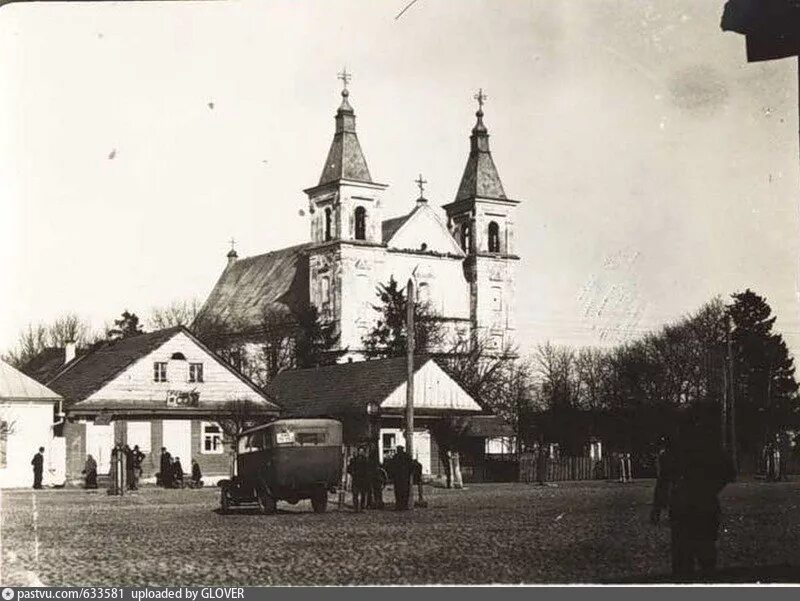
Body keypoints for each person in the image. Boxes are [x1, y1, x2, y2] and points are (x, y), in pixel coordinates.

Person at [650, 411, 735, 580]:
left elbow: (663, 481)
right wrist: (711, 489)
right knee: (705, 557)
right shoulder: (708, 446)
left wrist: (657, 507)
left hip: (684, 507)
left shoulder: (674, 449)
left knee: (684, 560)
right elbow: (729, 472)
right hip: (703, 505)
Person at [386, 445, 414, 511]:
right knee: (404, 492)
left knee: (399, 492)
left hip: (398, 477)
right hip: (404, 477)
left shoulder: (396, 457)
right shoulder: (407, 456)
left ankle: (399, 505)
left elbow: (391, 467)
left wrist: (393, 475)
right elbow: (411, 466)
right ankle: (404, 505)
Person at [347, 446, 369, 512]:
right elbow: (349, 469)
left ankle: (362, 507)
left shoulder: (366, 460)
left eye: (362, 451)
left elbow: (368, 470)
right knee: (355, 494)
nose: (361, 452)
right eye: (360, 451)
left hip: (363, 479)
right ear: (358, 452)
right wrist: (352, 473)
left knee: (363, 494)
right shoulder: (354, 460)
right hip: (356, 479)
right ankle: (355, 508)